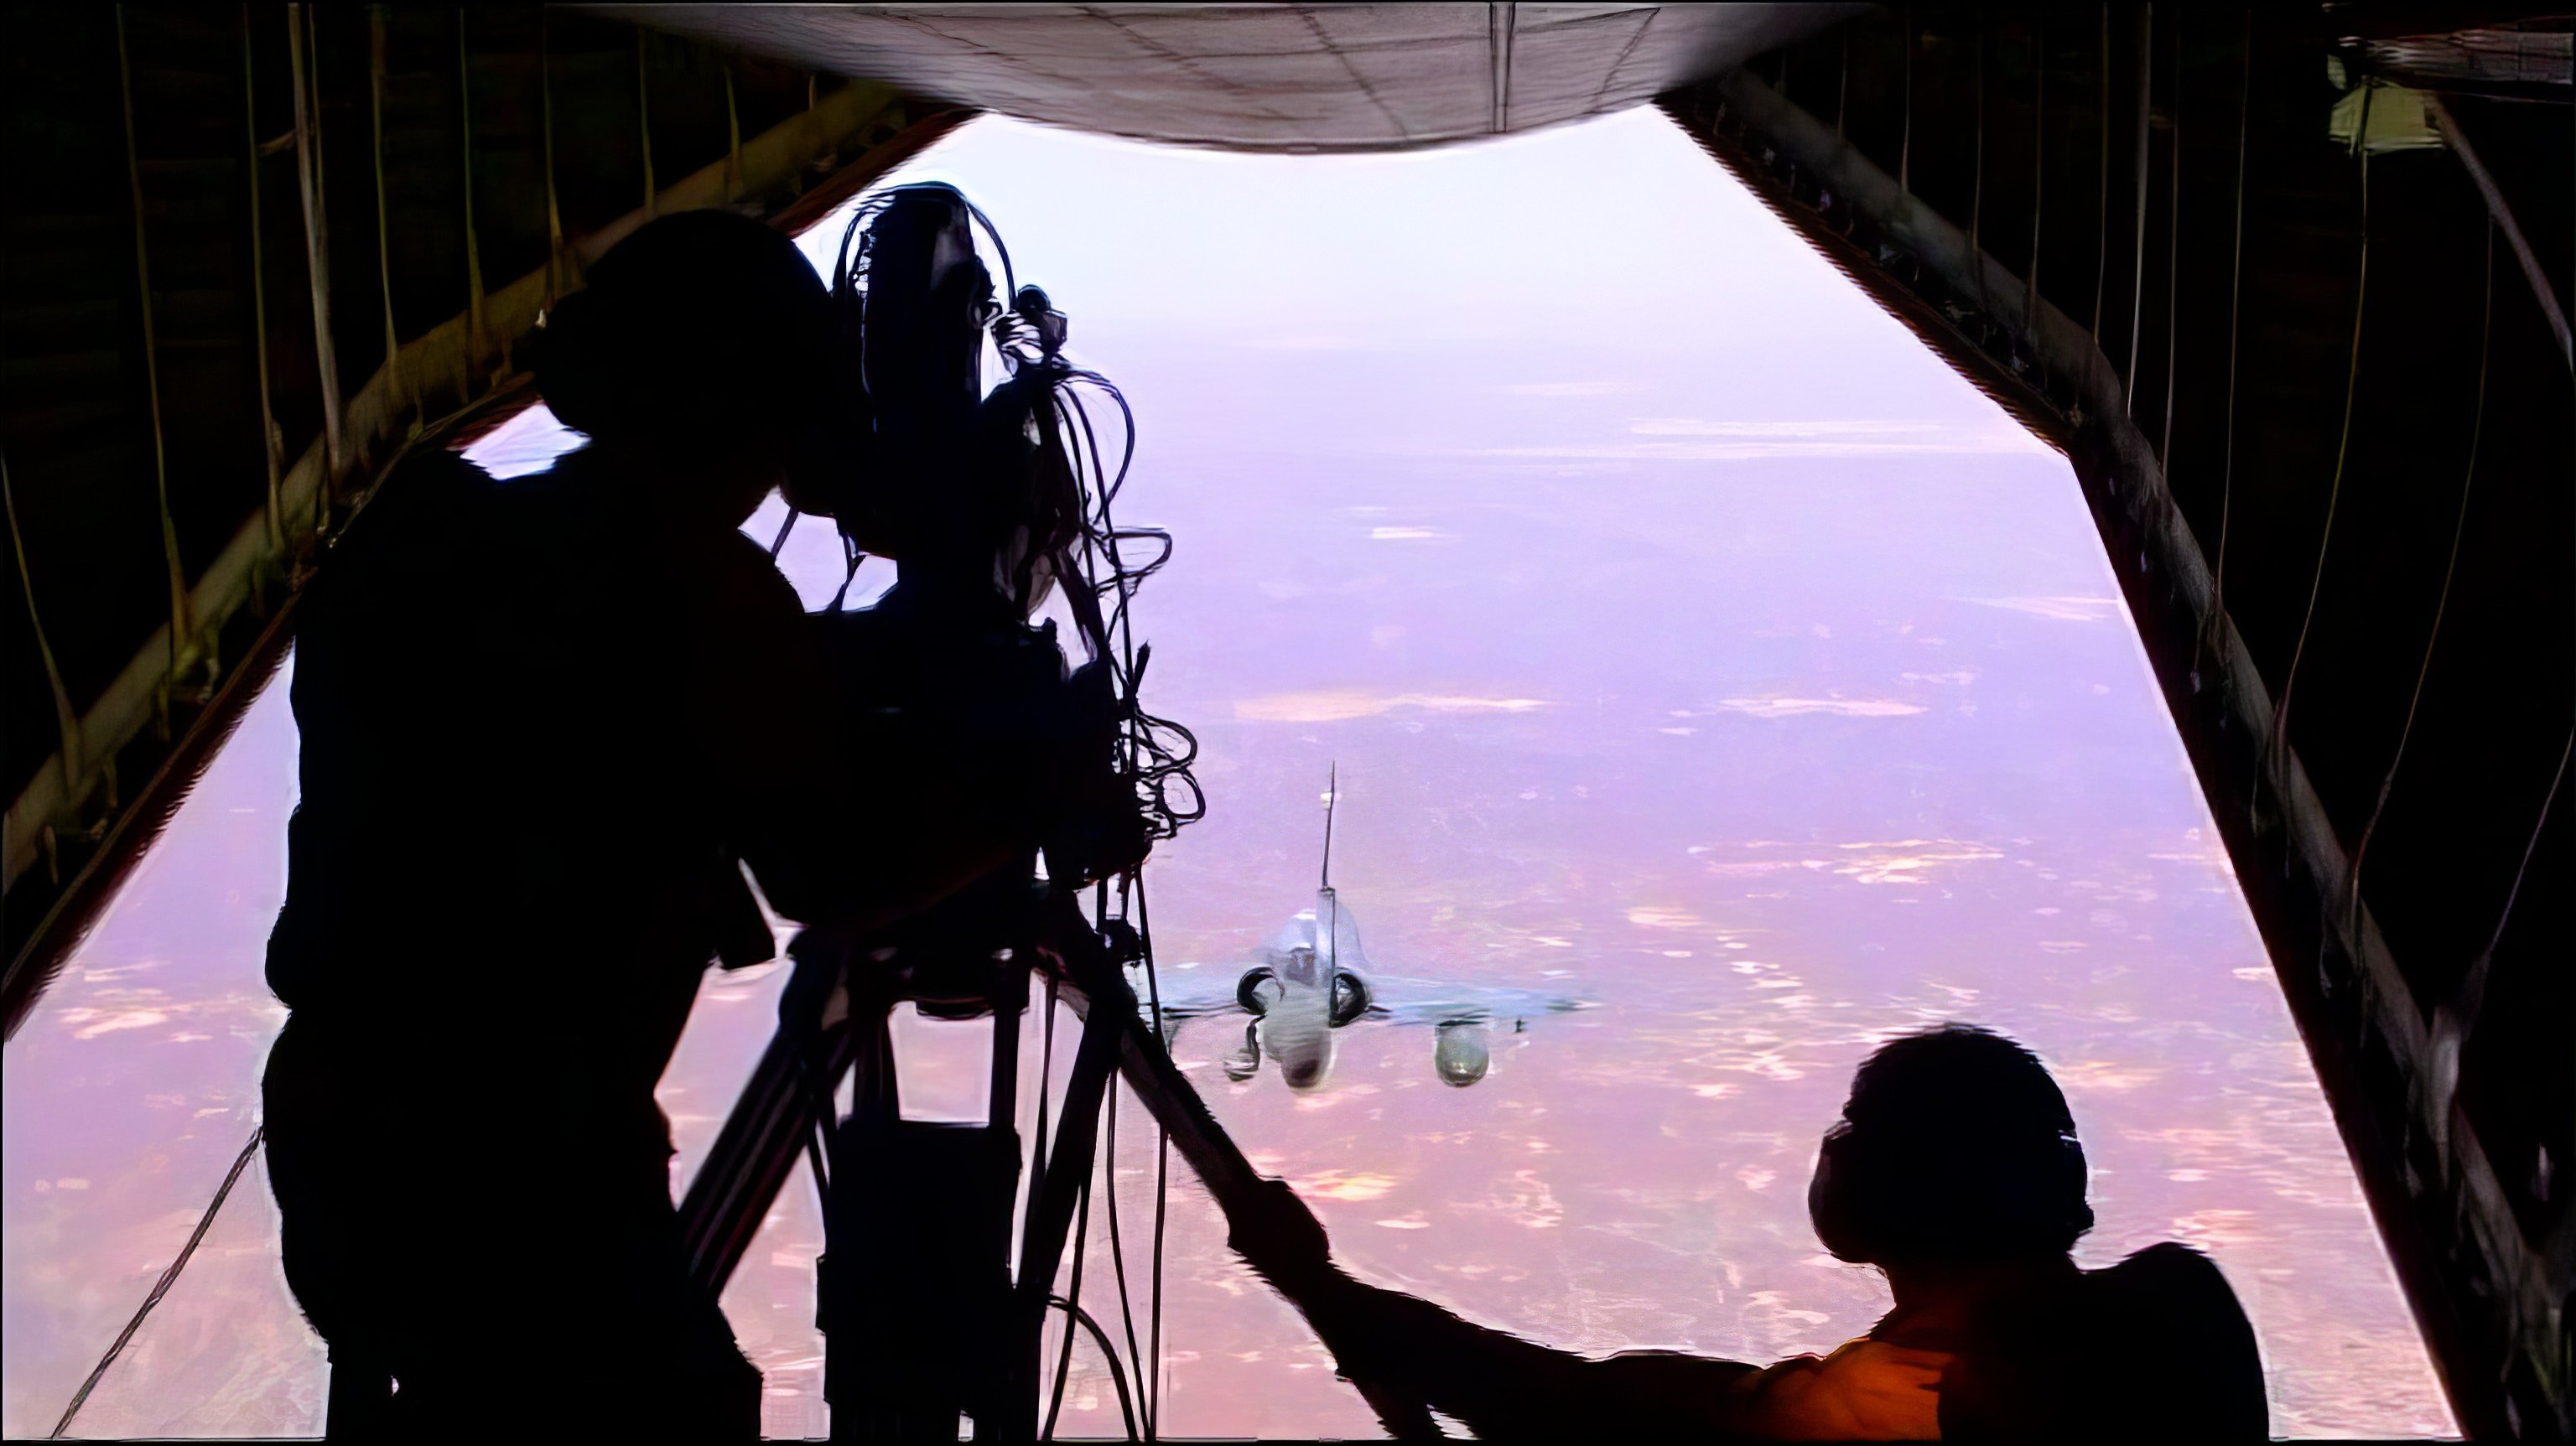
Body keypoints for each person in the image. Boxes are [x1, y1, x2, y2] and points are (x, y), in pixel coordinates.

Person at [260, 211, 1027, 1439]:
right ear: (755, 404)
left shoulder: (438, 541)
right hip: (525, 1194)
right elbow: (834, 868)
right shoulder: (698, 599)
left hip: (347, 1160)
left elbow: (582, 699)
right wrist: (1039, 795)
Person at [1228, 1024, 2269, 1440]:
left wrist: (1318, 1287)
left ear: (1871, 1187)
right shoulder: (2185, 1308)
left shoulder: (1901, 1403)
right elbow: (1694, 1401)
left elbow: (1575, 1409)